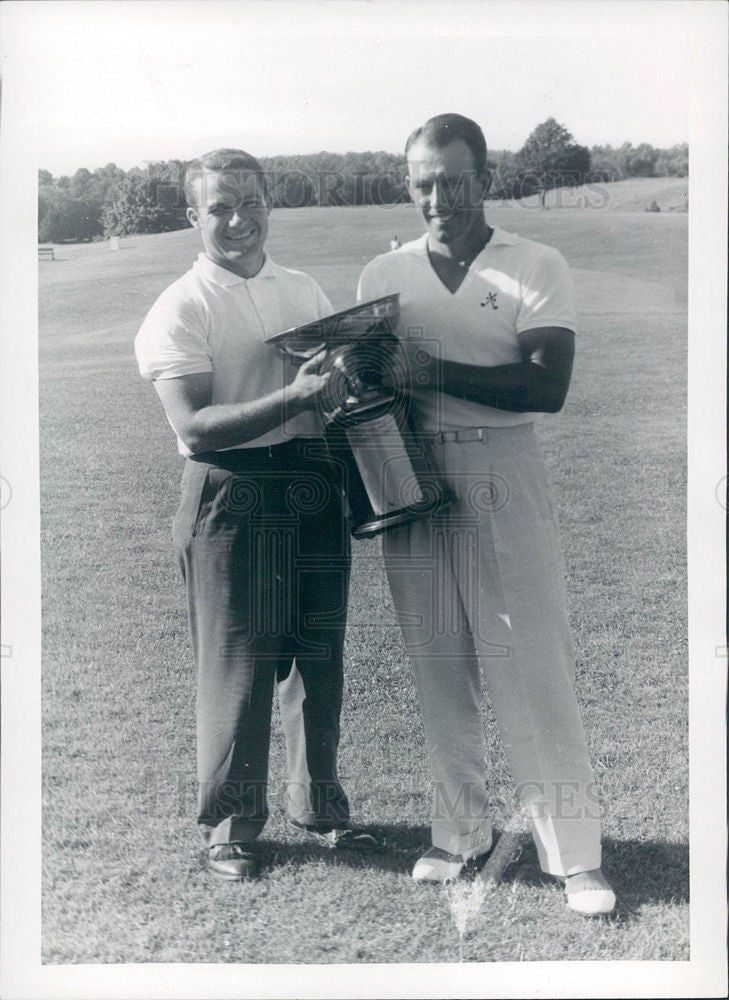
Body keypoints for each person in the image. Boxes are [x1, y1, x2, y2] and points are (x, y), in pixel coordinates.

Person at [357, 114, 615, 915]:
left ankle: (573, 858)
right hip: (409, 469)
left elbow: (545, 386)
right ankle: (457, 832)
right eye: (423, 182)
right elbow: (368, 391)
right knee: (438, 661)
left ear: (485, 178)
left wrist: (426, 368)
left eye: (454, 180)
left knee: (528, 662)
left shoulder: (535, 262)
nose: (439, 197)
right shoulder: (382, 273)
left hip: (502, 467)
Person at [135, 149, 381, 881]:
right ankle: (232, 826)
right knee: (238, 660)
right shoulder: (181, 303)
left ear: (270, 204)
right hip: (230, 490)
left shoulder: (301, 289)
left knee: (317, 654)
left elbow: (330, 395)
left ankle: (322, 810)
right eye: (218, 207)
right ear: (194, 215)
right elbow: (195, 425)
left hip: (310, 477)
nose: (236, 220)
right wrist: (294, 398)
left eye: (249, 202)